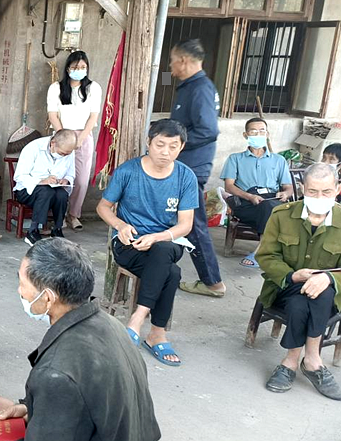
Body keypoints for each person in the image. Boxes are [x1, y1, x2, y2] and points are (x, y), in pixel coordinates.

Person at [0, 238, 161, 441]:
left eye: (22, 284)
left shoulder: (56, 372)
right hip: (124, 431)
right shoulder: (111, 324)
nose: (19, 291)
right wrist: (31, 407)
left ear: (47, 297)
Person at [96, 119, 197, 367]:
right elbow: (103, 207)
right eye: (160, 145)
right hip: (130, 244)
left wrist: (156, 237)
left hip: (168, 242)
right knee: (172, 273)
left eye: (173, 146)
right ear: (148, 142)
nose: (165, 152)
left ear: (181, 147)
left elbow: (185, 225)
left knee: (163, 250)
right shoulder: (128, 172)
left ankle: (136, 320)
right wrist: (120, 225)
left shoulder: (185, 176)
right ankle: (157, 334)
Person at [256, 163, 341, 401]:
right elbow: (266, 256)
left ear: (337, 190)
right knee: (305, 297)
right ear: (303, 188)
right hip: (285, 285)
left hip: (330, 294)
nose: (319, 197)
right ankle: (313, 361)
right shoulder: (282, 215)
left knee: (310, 298)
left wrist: (328, 277)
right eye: (313, 191)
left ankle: (290, 362)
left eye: (326, 192)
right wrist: (293, 276)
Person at [167, 37, 223, 299]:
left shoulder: (200, 88)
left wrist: (174, 143)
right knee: (183, 221)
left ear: (183, 60)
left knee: (192, 224)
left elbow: (208, 131)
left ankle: (213, 282)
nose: (170, 67)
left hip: (192, 167)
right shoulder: (189, 87)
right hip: (183, 165)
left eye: (172, 61)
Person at [208, 117, 292, 274]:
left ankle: (261, 251)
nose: (258, 134)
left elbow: (289, 187)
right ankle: (266, 252)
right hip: (245, 201)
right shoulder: (235, 159)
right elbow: (229, 186)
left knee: (271, 207)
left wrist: (285, 193)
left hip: (272, 199)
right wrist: (249, 197)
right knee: (271, 210)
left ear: (267, 134)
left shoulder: (279, 160)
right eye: (253, 132)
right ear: (245, 135)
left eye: (262, 131)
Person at [46, 51, 101, 232]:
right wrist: (63, 137)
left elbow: (93, 116)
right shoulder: (56, 88)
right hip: (62, 134)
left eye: (83, 67)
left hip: (84, 136)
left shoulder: (93, 88)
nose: (79, 70)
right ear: (68, 68)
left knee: (82, 180)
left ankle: (74, 214)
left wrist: (81, 138)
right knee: (60, 177)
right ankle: (58, 215)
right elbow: (52, 114)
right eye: (75, 67)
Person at [14, 130, 78, 245]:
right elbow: (20, 176)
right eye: (62, 153)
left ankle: (57, 229)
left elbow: (71, 173)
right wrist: (42, 181)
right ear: (53, 143)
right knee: (46, 191)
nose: (64, 156)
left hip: (53, 189)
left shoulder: (69, 152)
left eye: (67, 154)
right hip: (26, 191)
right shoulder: (33, 148)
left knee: (62, 194)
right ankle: (32, 231)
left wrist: (66, 180)